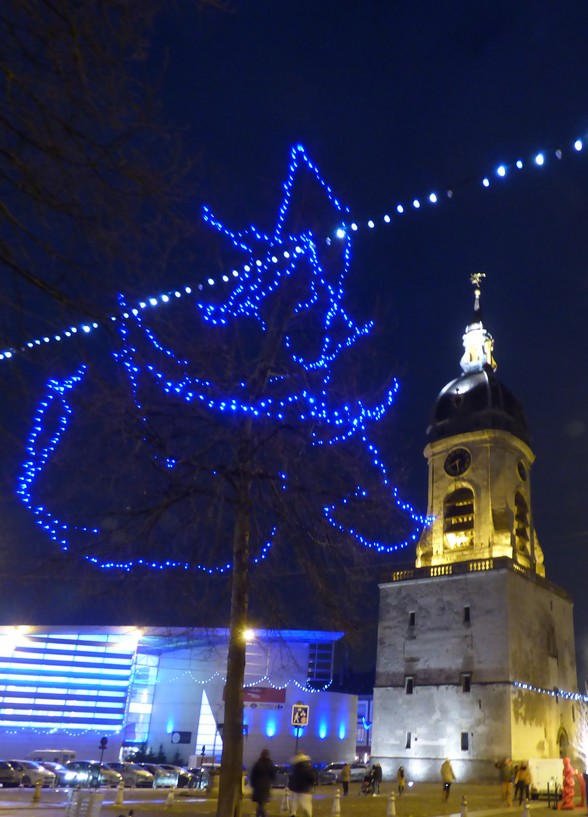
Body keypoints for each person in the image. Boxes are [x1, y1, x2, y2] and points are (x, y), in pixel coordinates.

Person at [250, 749, 276, 817]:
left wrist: (253, 784)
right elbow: (273, 775)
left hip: (258, 786)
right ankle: (261, 814)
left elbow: (253, 775)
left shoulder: (258, 763)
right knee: (262, 802)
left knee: (260, 802)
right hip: (266, 785)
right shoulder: (270, 764)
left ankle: (260, 814)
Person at [289, 753, 315, 817]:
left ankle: (293, 814)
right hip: (306, 789)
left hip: (296, 788)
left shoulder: (295, 768)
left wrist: (291, 786)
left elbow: (292, 778)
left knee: (294, 804)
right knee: (306, 805)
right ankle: (308, 815)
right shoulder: (309, 768)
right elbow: (312, 777)